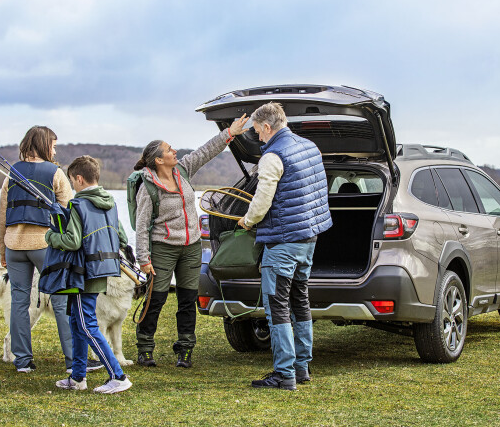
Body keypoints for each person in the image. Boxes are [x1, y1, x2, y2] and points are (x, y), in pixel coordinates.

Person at [133, 115, 248, 368]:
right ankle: (145, 347)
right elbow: (142, 227)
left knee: (187, 299)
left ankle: (185, 349)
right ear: (158, 160)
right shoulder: (148, 188)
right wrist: (143, 259)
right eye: (169, 150)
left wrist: (230, 132)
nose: (175, 151)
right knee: (157, 299)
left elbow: (207, 151)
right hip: (163, 248)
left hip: (191, 247)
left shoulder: (182, 170)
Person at [237, 102, 332, 391]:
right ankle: (302, 367)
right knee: (299, 299)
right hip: (309, 238)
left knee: (276, 306)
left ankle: (284, 373)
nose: (257, 137)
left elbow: (263, 200)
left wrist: (248, 221)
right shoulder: (309, 147)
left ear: (267, 127)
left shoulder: (273, 156)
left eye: (256, 131)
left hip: (282, 241)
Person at [46, 155, 132, 394]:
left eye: (73, 181)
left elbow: (72, 242)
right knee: (76, 321)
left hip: (82, 272)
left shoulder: (78, 205)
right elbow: (122, 238)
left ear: (80, 179)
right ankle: (77, 377)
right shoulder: (111, 203)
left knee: (86, 325)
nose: (72, 186)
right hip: (102, 269)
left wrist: (50, 236)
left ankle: (118, 376)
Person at [0, 125, 74, 373]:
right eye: (53, 145)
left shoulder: (11, 174)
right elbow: (70, 211)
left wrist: (1, 249)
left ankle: (22, 361)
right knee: (62, 299)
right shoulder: (56, 173)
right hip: (44, 245)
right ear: (43, 145)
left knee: (20, 300)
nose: (54, 150)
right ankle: (73, 359)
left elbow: (2, 216)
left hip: (14, 246)